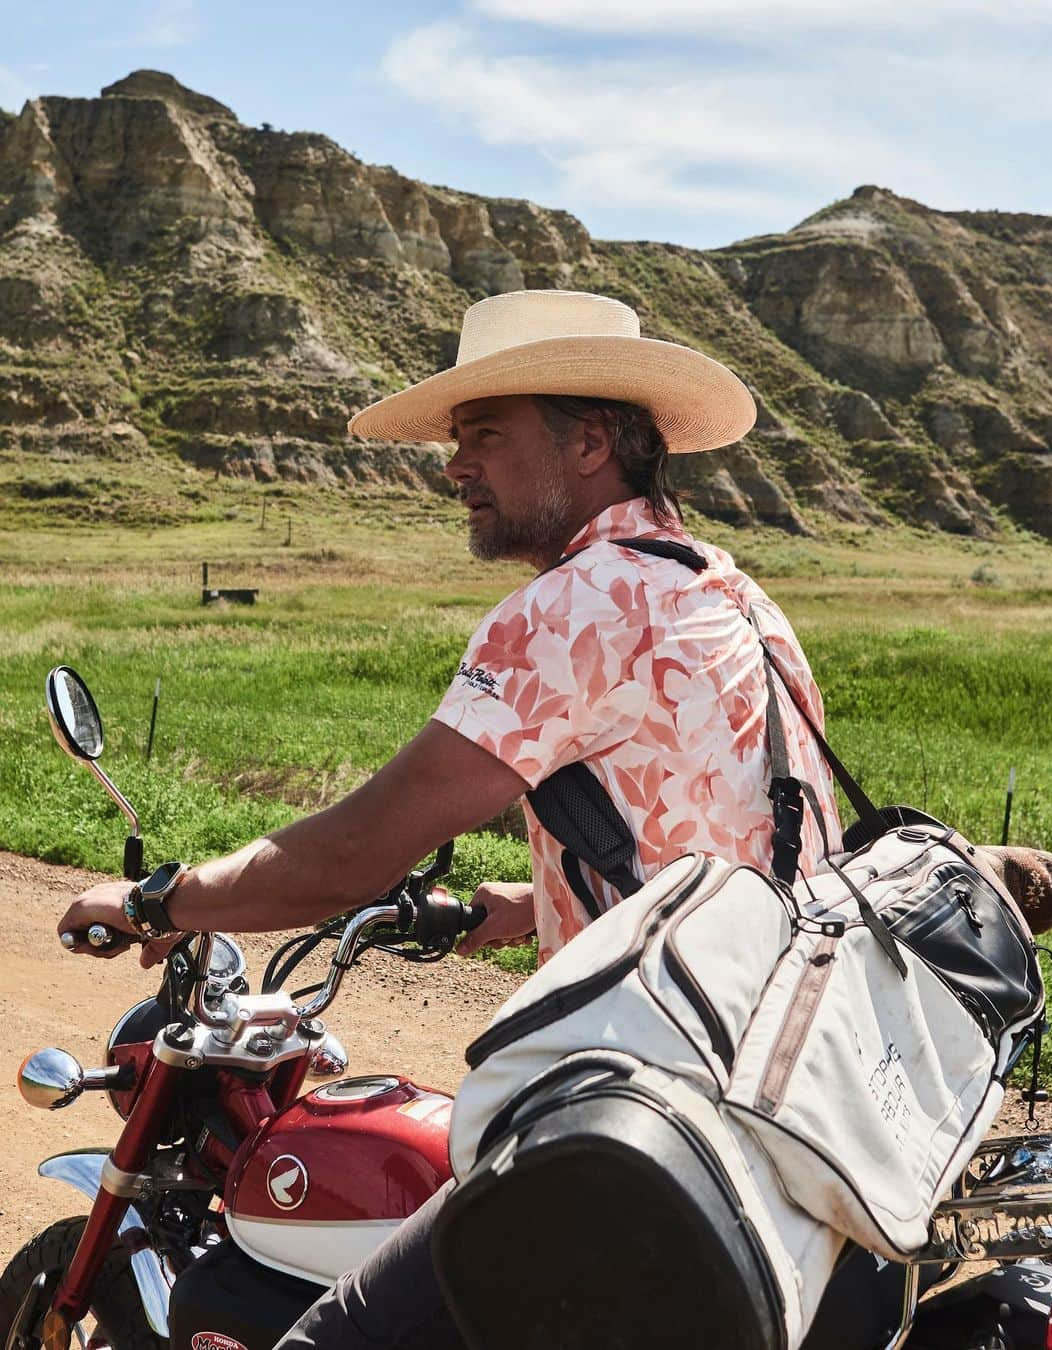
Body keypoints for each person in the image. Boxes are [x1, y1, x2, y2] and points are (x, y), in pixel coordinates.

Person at [56, 288, 847, 1347]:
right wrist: (538, 903)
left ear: (592, 443)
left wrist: (167, 898)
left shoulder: (576, 605)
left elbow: (356, 850)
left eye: (484, 432)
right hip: (778, 1101)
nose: (453, 466)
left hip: (641, 1123)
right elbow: (742, 834)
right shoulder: (730, 591)